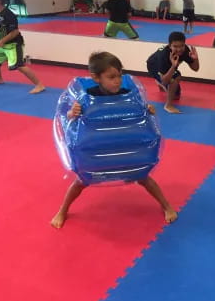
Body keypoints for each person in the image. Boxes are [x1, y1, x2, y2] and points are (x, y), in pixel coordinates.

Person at [51, 52, 178, 229]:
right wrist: (74, 112)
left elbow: (142, 116)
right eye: (111, 77)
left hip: (127, 152)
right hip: (96, 153)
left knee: (145, 178)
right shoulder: (88, 97)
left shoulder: (128, 93)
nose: (117, 81)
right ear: (96, 78)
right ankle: (62, 211)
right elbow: (69, 119)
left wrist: (148, 110)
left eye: (119, 75)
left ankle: (167, 207)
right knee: (80, 182)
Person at [0, 0, 45, 93]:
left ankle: (39, 85)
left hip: (13, 44)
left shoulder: (9, 14)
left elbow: (15, 32)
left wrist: (2, 41)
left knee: (19, 66)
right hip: (3, 43)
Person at [146, 31, 199, 114]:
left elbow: (195, 68)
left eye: (181, 46)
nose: (179, 49)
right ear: (169, 46)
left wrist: (195, 59)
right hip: (153, 66)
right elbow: (165, 81)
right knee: (175, 78)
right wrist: (173, 67)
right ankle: (168, 106)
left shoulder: (185, 50)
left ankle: (159, 84)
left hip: (168, 68)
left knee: (176, 96)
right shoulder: (163, 55)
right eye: (175, 46)